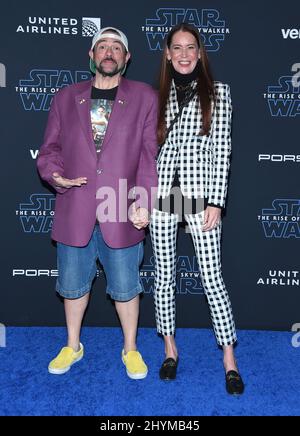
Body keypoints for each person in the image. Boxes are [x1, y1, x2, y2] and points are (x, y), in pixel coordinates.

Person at [37, 27, 158, 379]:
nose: (108, 52)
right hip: (75, 204)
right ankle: (72, 345)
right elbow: (49, 150)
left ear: (126, 57)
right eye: (102, 46)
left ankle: (131, 349)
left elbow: (150, 157)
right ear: (91, 56)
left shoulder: (145, 97)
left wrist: (144, 200)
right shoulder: (64, 97)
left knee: (125, 287)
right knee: (72, 286)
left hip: (120, 206)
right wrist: (55, 175)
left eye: (116, 47)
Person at [150, 23, 244, 394]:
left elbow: (222, 152)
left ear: (200, 53)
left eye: (192, 47)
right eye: (178, 48)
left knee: (211, 277)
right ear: (168, 54)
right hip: (162, 196)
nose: (185, 54)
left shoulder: (219, 93)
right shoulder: (157, 95)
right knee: (164, 274)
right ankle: (170, 350)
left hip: (200, 195)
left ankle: (229, 359)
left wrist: (217, 201)